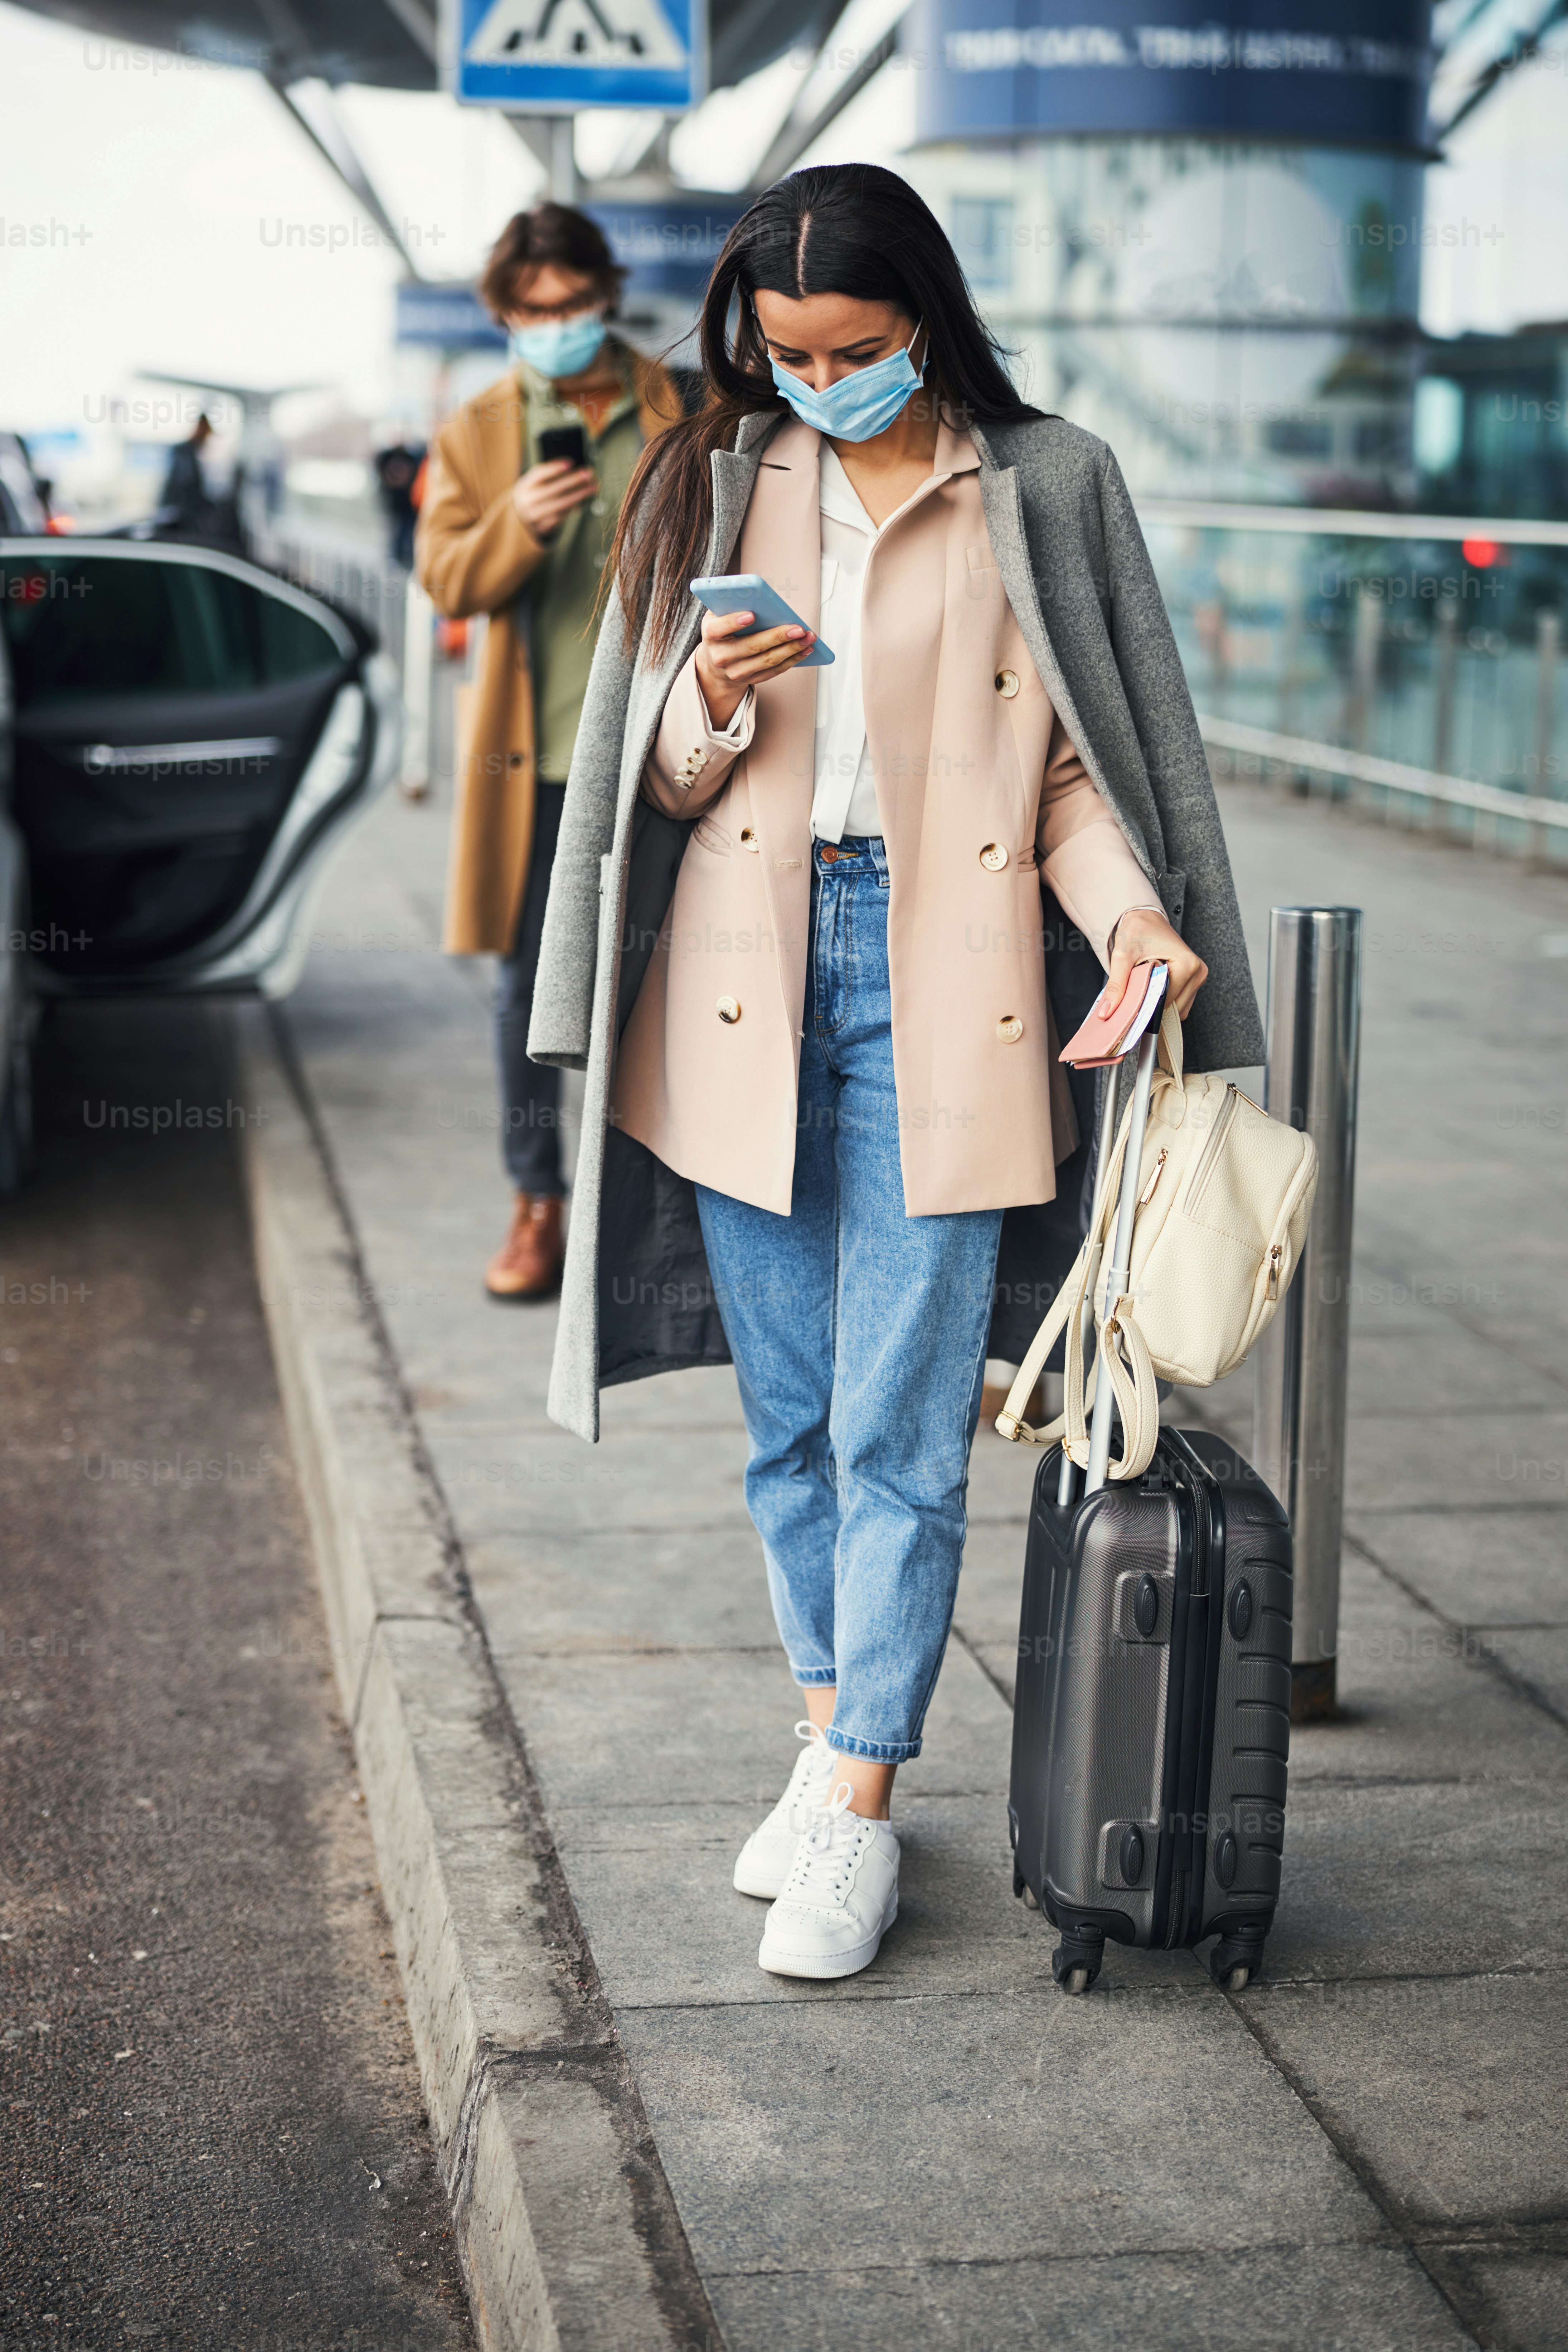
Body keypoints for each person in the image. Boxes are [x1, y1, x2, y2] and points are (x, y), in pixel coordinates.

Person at [526, 164, 1266, 1981]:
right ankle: (826, 1730)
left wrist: (1143, 921)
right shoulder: (711, 471)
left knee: (900, 1429)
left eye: (849, 348)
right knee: (783, 1424)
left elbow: (1087, 769)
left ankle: (860, 1802)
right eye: (781, 351)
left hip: (950, 989)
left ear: (921, 316)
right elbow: (652, 779)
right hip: (733, 983)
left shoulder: (1046, 480)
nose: (814, 377)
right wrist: (710, 704)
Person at [416, 203, 681, 1299]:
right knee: (532, 998)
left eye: (573, 305)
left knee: (669, 987)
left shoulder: (681, 404)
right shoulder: (477, 430)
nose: (556, 325)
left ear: (604, 294)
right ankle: (537, 1205)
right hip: (533, 768)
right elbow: (444, 580)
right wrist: (516, 521)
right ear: (503, 314)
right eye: (534, 311)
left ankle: (664, 1221)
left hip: (664, 748)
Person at [374, 435, 426, 571]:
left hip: (409, 504)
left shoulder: (410, 458)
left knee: (405, 531)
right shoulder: (389, 457)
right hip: (400, 504)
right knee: (399, 531)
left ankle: (403, 557)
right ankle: (398, 557)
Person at [159, 412, 213, 534]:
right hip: (180, 515)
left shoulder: (192, 453)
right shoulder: (185, 452)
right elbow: (184, 485)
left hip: (182, 514)